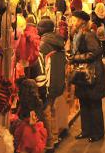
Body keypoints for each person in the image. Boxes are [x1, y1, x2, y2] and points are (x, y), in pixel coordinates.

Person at [70, 10, 105, 143]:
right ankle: (86, 130)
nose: (72, 22)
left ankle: (97, 132)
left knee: (94, 103)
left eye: (74, 19)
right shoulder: (79, 35)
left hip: (92, 73)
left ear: (81, 21)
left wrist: (76, 58)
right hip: (83, 73)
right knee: (84, 102)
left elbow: (95, 52)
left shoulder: (88, 35)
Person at [36, 18, 66, 152]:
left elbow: (40, 65)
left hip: (48, 84)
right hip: (57, 82)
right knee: (52, 109)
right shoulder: (59, 42)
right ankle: (54, 137)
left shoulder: (43, 45)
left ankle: (49, 143)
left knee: (46, 112)